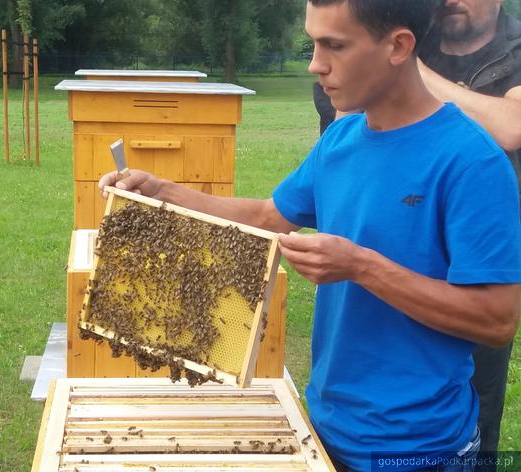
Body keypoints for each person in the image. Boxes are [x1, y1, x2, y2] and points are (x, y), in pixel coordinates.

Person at [100, 0, 521, 470]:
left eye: (334, 46)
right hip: (325, 427)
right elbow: (266, 216)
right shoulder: (340, 142)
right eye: (314, 41)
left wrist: (361, 266)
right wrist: (164, 191)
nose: (315, 64)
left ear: (398, 46)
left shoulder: (472, 162)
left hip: (418, 448)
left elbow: (497, 320)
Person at [314, 0, 521, 462]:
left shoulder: (475, 153)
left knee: (474, 406)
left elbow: (511, 127)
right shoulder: (416, 41)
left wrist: (406, 68)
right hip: (343, 418)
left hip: (482, 253)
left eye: (334, 46)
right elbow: (275, 210)